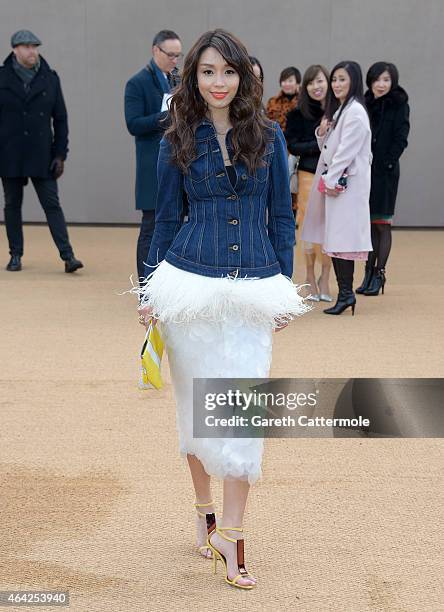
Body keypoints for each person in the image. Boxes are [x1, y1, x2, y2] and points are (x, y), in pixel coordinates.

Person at [136, 29, 309, 589]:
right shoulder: (176, 139)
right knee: (196, 411)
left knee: (241, 412)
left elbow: (282, 219)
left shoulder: (271, 138)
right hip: (188, 286)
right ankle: (205, 510)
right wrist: (150, 292)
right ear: (193, 76)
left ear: (244, 77)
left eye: (228, 71)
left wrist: (284, 288)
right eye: (207, 71)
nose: (218, 82)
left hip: (253, 286)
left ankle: (233, 535)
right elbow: (164, 219)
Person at [0, 30, 83, 273]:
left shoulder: (50, 78)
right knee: (12, 205)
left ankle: (68, 257)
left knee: (52, 204)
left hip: (42, 155)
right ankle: (15, 255)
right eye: (26, 47)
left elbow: (61, 119)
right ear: (15, 49)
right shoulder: (2, 77)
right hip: (9, 154)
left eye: (34, 46)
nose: (32, 51)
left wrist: (60, 154)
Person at [301, 61, 372, 315]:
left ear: (353, 81)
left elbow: (345, 154)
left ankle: (346, 294)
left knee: (342, 240)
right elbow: (332, 148)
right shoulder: (342, 110)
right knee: (338, 241)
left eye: (342, 79)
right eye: (335, 80)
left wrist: (329, 181)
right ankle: (345, 295)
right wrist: (322, 133)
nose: (337, 84)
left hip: (345, 187)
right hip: (338, 186)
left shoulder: (355, 112)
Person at [124, 30, 182, 282]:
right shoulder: (137, 82)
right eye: (170, 55)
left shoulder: (177, 80)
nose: (175, 60)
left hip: (178, 160)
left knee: (177, 223)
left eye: (178, 55)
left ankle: (170, 282)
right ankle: (145, 285)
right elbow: (133, 124)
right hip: (151, 163)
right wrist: (167, 115)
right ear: (155, 50)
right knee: (150, 225)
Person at [356, 62, 410, 296]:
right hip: (365, 171)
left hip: (386, 173)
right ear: (370, 81)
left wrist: (387, 163)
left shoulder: (399, 104)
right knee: (367, 224)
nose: (381, 84)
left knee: (382, 224)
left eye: (386, 79)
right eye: (377, 79)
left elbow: (401, 137)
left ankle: (379, 273)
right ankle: (367, 272)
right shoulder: (364, 103)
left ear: (393, 81)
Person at [285, 65, 333, 302]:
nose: (317, 87)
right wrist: (321, 140)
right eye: (312, 82)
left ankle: (326, 277)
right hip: (308, 175)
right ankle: (310, 277)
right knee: (308, 228)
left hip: (334, 177)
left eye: (321, 81)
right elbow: (293, 145)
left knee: (330, 229)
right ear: (306, 86)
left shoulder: (338, 112)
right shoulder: (297, 114)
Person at [266, 67, 301, 217]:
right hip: (276, 149)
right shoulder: (273, 102)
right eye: (285, 80)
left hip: (296, 151)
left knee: (294, 189)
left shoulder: (303, 102)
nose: (287, 84)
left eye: (291, 80)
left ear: (297, 83)